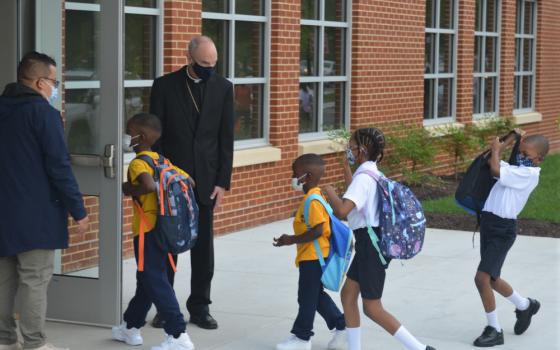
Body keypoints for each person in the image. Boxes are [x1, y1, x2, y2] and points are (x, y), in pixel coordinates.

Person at [0, 51, 89, 350]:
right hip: (36, 214)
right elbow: (58, 166)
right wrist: (78, 210)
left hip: (4, 212)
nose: (55, 87)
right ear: (39, 82)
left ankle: (4, 339)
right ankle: (35, 343)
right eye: (54, 81)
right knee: (34, 280)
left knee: (4, 279)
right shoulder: (44, 115)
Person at [321, 128, 436, 350]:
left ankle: (420, 349)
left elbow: (343, 210)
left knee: (372, 307)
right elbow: (354, 196)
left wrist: (328, 191)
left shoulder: (363, 178)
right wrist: (346, 168)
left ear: (362, 150)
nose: (349, 150)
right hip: (371, 243)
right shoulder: (371, 173)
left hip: (370, 246)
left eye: (352, 146)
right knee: (348, 294)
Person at [150, 35, 234, 330]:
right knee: (168, 247)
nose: (210, 68)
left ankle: (200, 307)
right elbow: (154, 138)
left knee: (203, 250)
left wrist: (223, 182)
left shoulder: (224, 88)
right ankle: (165, 306)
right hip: (172, 181)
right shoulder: (164, 86)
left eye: (213, 64)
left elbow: (226, 139)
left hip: (207, 181)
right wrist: (162, 175)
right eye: (203, 64)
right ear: (190, 59)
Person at [112, 113, 194, 350]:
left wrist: (128, 188)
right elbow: (190, 182)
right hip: (165, 229)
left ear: (142, 136)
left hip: (147, 231)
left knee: (155, 280)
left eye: (130, 131)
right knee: (146, 280)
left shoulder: (139, 163)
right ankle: (130, 327)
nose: (127, 135)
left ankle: (178, 335)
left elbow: (147, 186)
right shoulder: (163, 161)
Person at [471, 131, 548, 347]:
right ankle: (525, 306)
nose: (521, 155)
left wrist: (497, 150)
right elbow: (489, 161)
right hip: (489, 224)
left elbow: (495, 168)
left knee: (481, 279)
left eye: (526, 153)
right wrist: (511, 138)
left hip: (502, 231)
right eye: (521, 151)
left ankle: (494, 329)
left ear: (539, 159)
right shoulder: (515, 168)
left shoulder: (530, 174)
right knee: (492, 278)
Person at [273, 154, 346, 350]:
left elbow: (318, 230)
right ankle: (341, 325)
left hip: (313, 257)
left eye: (295, 172)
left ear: (308, 175)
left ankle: (302, 338)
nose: (292, 177)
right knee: (313, 295)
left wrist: (290, 240)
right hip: (314, 255)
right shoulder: (315, 196)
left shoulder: (312, 200)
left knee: (306, 297)